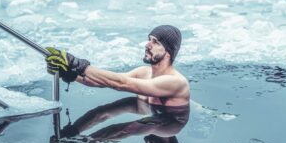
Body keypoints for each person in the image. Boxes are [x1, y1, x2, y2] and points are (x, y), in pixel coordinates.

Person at [45, 25, 190, 107]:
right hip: (148, 118)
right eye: (149, 40)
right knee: (107, 114)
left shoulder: (175, 82)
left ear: (168, 53)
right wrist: (72, 74)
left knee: (128, 129)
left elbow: (121, 83)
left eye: (156, 42)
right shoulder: (143, 72)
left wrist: (77, 64)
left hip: (169, 123)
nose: (147, 45)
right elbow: (105, 83)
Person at [41, 97, 190, 143]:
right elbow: (123, 130)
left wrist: (69, 133)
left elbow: (102, 114)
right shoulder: (170, 127)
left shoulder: (153, 109)